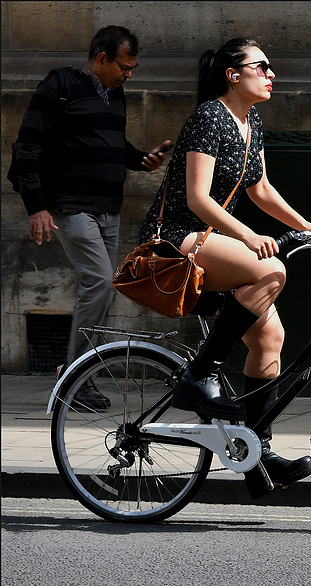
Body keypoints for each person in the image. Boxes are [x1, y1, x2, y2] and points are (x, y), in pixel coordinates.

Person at [138, 37, 311, 498]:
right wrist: (247, 235)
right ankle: (200, 374)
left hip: (206, 239)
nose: (271, 74)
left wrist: (306, 225)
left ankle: (257, 458)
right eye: (261, 66)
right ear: (233, 74)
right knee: (271, 272)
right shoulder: (209, 117)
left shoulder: (251, 121)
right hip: (173, 239)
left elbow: (259, 188)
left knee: (270, 338)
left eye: (270, 67)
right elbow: (196, 198)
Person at [12, 25, 172, 409]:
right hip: (71, 204)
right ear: (102, 58)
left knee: (100, 288)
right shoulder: (58, 86)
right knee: (99, 280)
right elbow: (26, 147)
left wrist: (140, 160)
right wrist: (36, 207)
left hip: (108, 206)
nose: (129, 74)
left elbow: (113, 143)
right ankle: (76, 378)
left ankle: (76, 372)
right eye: (125, 66)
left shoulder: (115, 91)